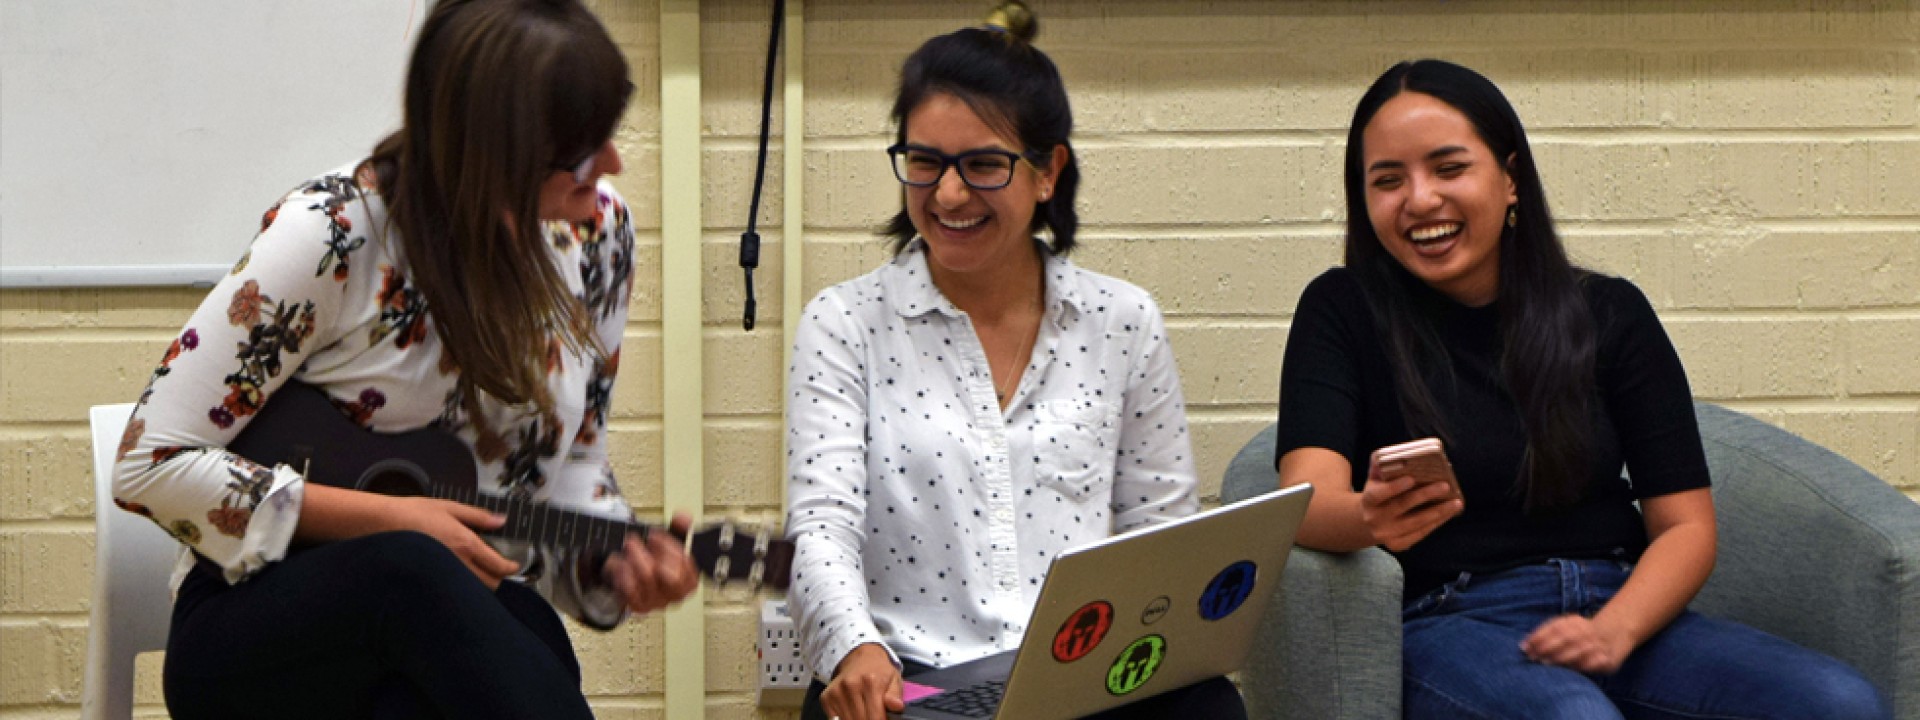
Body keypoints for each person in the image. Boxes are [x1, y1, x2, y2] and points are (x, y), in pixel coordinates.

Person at [111, 1, 700, 717]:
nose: (612, 166)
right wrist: (389, 521)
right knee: (413, 571)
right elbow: (151, 463)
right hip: (255, 623)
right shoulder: (336, 233)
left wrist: (610, 561)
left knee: (522, 633)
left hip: (430, 616)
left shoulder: (597, 235)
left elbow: (568, 471)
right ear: (487, 158)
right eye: (580, 153)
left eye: (610, 135)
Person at [1275, 59, 1890, 719]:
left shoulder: (1610, 312)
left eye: (1449, 168)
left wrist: (1613, 630)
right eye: (1388, 180)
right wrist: (1369, 517)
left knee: (1839, 702)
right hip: (1454, 620)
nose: (1420, 199)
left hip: (1618, 603)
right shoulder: (1342, 308)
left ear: (1511, 178)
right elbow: (1304, 502)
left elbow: (1685, 527)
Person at [782, 4, 1245, 720]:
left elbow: (1161, 534)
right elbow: (821, 527)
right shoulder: (846, 323)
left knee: (1208, 709)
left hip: (1082, 672)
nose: (948, 194)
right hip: (916, 680)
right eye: (925, 161)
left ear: (1048, 171)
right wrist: (853, 648)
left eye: (985, 165)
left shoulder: (1122, 322)